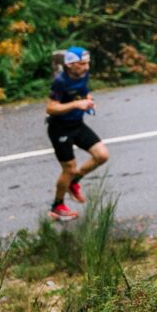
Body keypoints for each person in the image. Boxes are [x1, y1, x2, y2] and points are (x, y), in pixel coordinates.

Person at [45, 47, 109, 222]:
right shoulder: (60, 82)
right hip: (60, 128)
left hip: (77, 125)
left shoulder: (83, 75)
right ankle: (57, 207)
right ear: (70, 64)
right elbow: (50, 108)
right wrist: (76, 105)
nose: (86, 67)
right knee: (69, 169)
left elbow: (82, 91)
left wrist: (88, 100)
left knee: (102, 155)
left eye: (87, 63)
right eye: (82, 64)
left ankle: (73, 182)